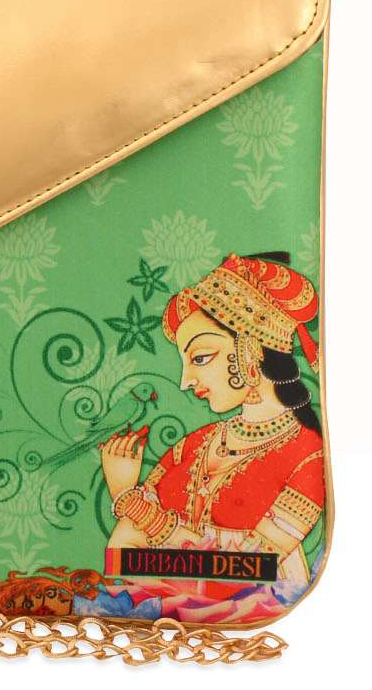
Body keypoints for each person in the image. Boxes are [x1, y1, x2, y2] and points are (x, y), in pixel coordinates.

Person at [84, 252, 324, 624]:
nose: (184, 381)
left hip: (258, 622)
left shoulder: (308, 455)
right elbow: (120, 557)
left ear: (250, 350)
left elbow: (251, 572)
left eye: (200, 358)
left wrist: (128, 498)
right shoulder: (193, 445)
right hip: (155, 625)